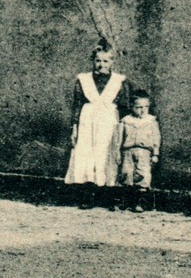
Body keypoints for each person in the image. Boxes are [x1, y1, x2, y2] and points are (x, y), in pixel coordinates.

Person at [64, 42, 134, 207]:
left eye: (106, 61)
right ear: (93, 61)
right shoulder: (83, 80)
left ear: (112, 62)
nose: (101, 65)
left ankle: (107, 196)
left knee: (106, 154)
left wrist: (123, 130)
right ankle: (88, 195)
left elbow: (124, 107)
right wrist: (74, 128)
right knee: (87, 154)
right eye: (98, 61)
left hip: (109, 121)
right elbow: (77, 105)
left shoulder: (119, 81)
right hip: (87, 121)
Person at [116, 90, 162, 213]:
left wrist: (155, 153)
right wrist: (117, 152)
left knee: (143, 174)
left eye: (146, 107)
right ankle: (126, 201)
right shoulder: (126, 121)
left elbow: (156, 138)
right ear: (131, 107)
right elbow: (119, 139)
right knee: (127, 174)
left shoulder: (151, 121)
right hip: (128, 151)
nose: (143, 110)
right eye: (139, 107)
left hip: (144, 152)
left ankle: (140, 202)